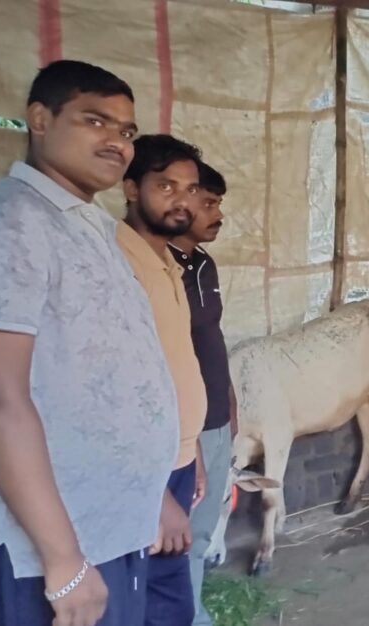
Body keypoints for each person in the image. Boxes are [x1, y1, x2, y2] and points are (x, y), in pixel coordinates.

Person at [0, 60, 179, 626]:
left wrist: (150, 495)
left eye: (126, 130)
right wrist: (63, 561)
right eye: (94, 120)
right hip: (44, 548)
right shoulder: (7, 222)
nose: (117, 141)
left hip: (107, 523)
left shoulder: (92, 226)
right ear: (40, 119)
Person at [118, 134, 209, 626]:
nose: (182, 201)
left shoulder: (168, 261)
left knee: (169, 600)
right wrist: (153, 497)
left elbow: (176, 362)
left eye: (191, 189)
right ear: (132, 188)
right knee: (145, 601)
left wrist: (193, 450)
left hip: (176, 459)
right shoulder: (117, 262)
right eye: (166, 186)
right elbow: (113, 387)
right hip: (139, 472)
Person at [169, 163, 238, 626]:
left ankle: (192, 610)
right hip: (185, 429)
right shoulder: (157, 267)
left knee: (203, 527)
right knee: (179, 532)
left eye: (217, 203)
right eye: (208, 203)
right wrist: (186, 438)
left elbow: (211, 337)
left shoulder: (203, 265)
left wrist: (229, 399)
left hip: (216, 419)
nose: (218, 215)